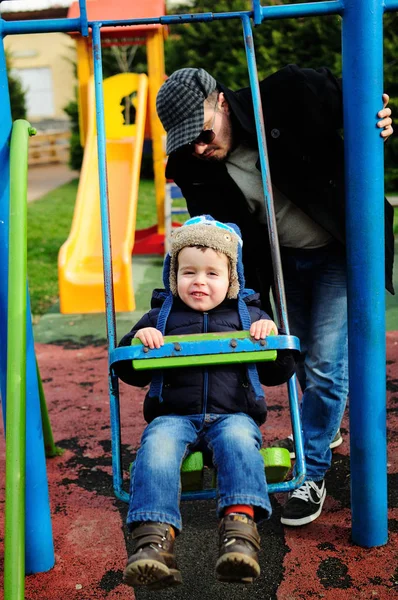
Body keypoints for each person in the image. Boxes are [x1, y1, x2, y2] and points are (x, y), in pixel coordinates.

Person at [155, 66, 395, 527]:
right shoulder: (191, 164)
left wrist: (378, 117)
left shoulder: (292, 93)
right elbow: (215, 237)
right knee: (299, 356)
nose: (200, 149)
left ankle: (312, 470)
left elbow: (365, 101)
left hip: (337, 247)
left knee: (326, 363)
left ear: (221, 101)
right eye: (189, 143)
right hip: (280, 264)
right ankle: (323, 428)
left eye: (204, 134)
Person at [115, 214, 298, 589]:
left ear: (231, 279)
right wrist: (139, 341)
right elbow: (129, 373)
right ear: (173, 275)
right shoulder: (159, 319)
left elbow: (279, 374)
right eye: (188, 272)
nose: (199, 281)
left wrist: (271, 338)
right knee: (157, 446)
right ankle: (154, 540)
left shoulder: (250, 318)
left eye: (212, 274)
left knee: (238, 443)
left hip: (233, 414)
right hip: (174, 415)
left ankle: (239, 533)